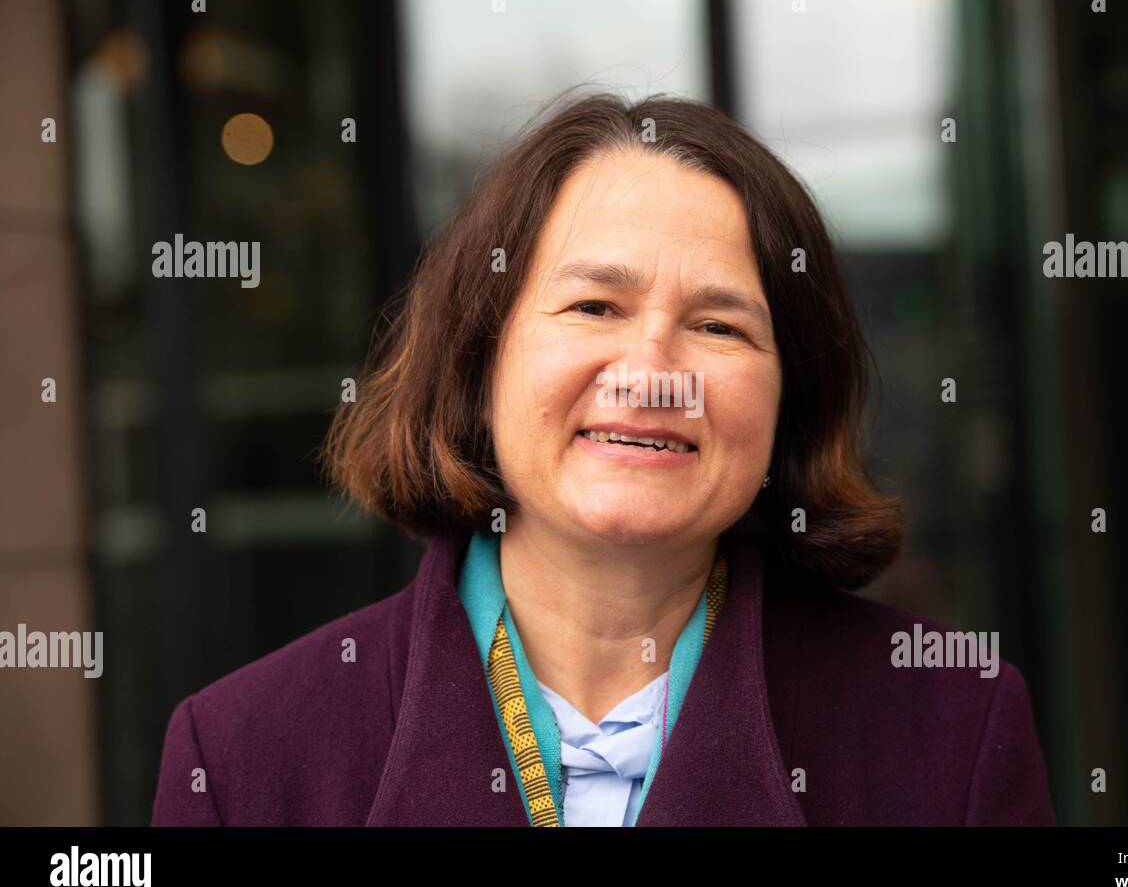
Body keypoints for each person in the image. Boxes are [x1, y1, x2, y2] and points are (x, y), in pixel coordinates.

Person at [152, 91, 1054, 826]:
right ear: (480, 358)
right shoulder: (242, 759)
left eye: (718, 325)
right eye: (594, 307)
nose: (653, 373)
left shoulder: (950, 730)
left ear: (790, 402)